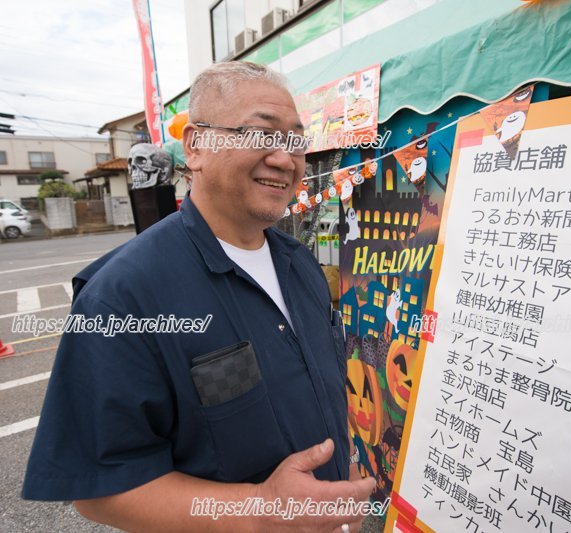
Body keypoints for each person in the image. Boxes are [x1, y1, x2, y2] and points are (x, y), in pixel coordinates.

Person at [23, 61, 375, 532]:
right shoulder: (121, 296)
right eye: (259, 134)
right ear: (196, 145)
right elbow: (100, 489)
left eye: (295, 140)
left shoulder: (302, 266)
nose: (285, 158)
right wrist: (259, 511)